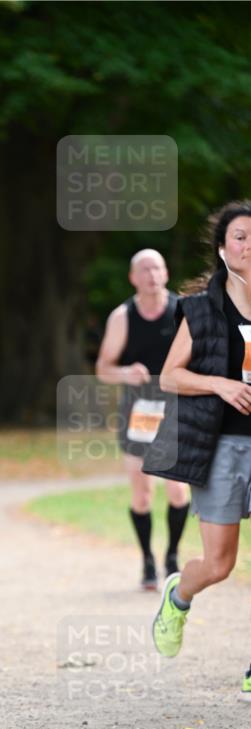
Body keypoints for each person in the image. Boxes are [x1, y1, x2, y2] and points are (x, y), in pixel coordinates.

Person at [144, 201, 251, 700]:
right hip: (224, 444)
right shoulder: (204, 307)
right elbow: (170, 376)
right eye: (240, 237)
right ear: (223, 248)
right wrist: (221, 385)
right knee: (219, 564)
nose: (249, 245)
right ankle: (178, 595)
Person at [96, 250, 190, 589]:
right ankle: (148, 560)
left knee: (178, 490)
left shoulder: (182, 312)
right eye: (145, 269)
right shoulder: (122, 317)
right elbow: (103, 369)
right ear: (133, 278)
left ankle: (173, 556)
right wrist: (125, 372)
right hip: (137, 411)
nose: (152, 274)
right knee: (142, 493)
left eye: (158, 268)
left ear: (166, 273)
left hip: (175, 408)